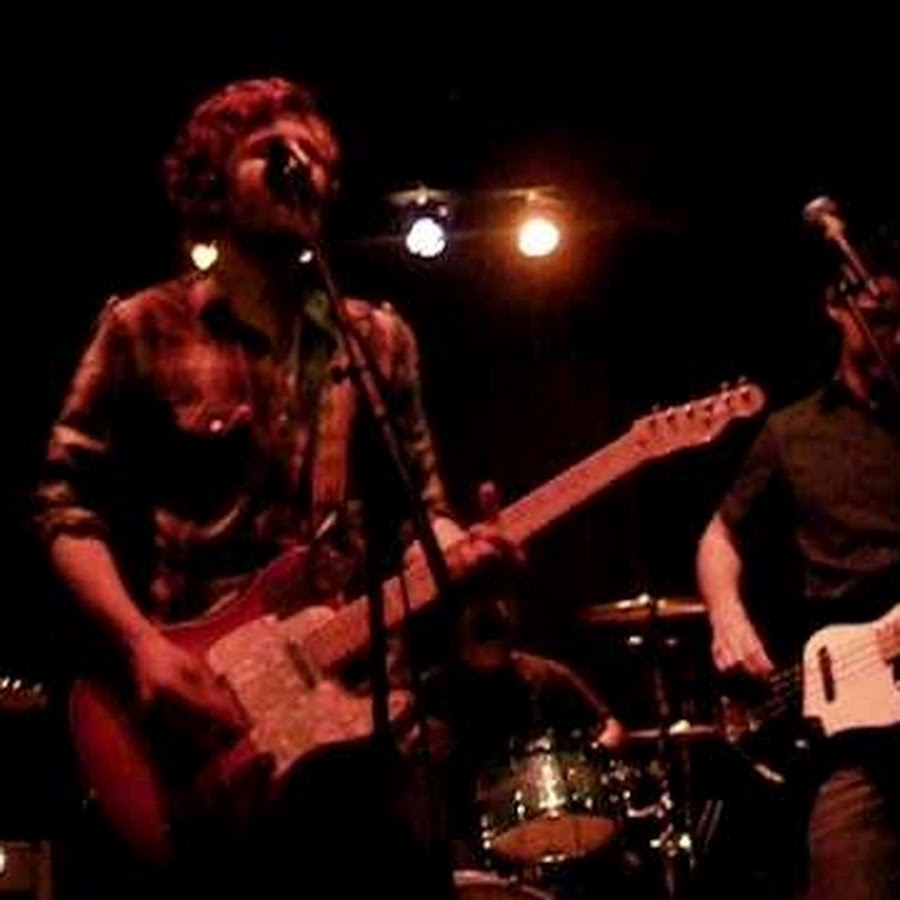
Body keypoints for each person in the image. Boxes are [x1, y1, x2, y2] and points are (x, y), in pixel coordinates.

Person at [32, 76, 516, 900]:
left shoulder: (376, 340)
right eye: (270, 152)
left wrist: (463, 556)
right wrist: (141, 644)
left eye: (315, 156)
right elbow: (61, 506)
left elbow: (422, 513)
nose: (301, 165)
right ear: (212, 181)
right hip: (213, 732)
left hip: (368, 729)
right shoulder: (144, 328)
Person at [695, 225, 900, 899]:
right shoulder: (793, 433)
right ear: (837, 306)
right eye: (880, 317)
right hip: (860, 738)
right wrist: (728, 617)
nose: (895, 335)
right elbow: (720, 536)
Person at [422, 583, 630, 896]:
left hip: (554, 829)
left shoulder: (543, 675)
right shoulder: (433, 692)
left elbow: (612, 729)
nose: (491, 612)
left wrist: (585, 764)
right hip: (467, 844)